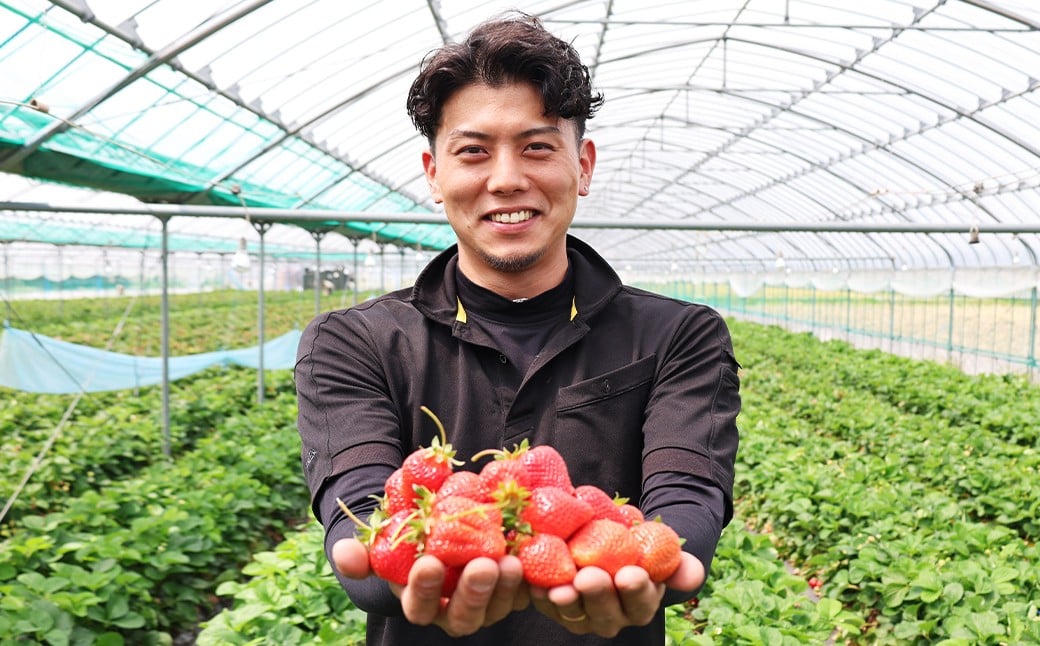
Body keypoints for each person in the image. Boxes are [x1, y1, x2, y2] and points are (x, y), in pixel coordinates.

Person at [295, 12, 740, 645]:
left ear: (582, 166)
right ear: (434, 173)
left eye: (537, 147)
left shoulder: (678, 334)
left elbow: (686, 491)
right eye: (473, 150)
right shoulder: (353, 342)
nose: (506, 178)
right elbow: (362, 515)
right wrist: (392, 568)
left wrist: (658, 559)